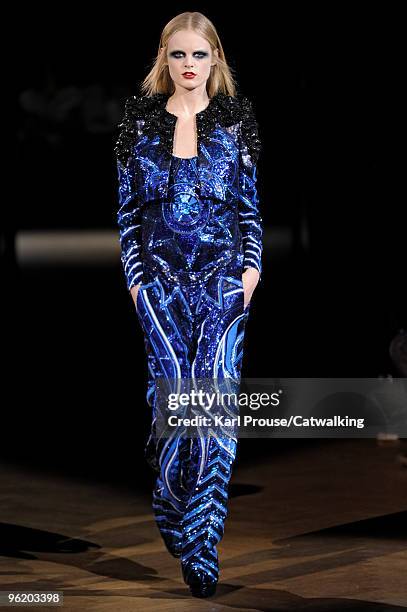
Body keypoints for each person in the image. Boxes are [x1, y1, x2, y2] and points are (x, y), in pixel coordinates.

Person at [114, 11, 263, 598]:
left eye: (199, 55)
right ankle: (171, 497)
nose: (189, 67)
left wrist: (248, 277)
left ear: (215, 60)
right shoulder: (139, 123)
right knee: (174, 405)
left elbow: (250, 214)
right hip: (160, 289)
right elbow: (127, 217)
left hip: (222, 287)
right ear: (164, 59)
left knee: (214, 416)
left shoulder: (235, 124)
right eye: (178, 55)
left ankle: (203, 544)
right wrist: (136, 284)